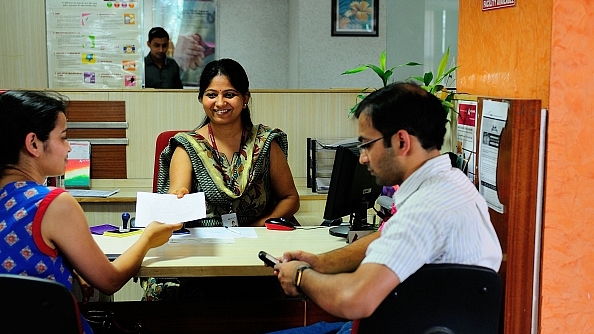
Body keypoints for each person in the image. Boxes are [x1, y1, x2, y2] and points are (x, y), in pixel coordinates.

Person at [270, 82, 503, 333]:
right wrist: (321, 263)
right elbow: (387, 237)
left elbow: (352, 299)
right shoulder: (453, 184)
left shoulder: (423, 211)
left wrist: (301, 275)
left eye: (367, 144)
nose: (362, 158)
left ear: (402, 141)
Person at [0, 90, 183, 333]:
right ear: (33, 143)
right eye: (63, 138)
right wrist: (148, 238)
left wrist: (71, 265)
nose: (68, 148)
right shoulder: (54, 203)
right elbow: (109, 281)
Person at [157, 58, 300, 227]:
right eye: (211, 95)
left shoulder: (265, 142)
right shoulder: (187, 147)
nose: (220, 103)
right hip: (206, 244)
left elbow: (290, 198)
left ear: (245, 98)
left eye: (229, 95)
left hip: (259, 239)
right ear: (201, 98)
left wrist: (259, 226)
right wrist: (179, 196)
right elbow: (177, 194)